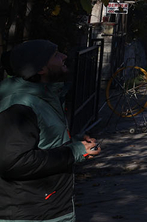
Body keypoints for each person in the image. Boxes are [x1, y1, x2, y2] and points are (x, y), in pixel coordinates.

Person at [0, 40, 101, 222]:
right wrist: (73, 152)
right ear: (40, 69)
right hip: (30, 214)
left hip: (50, 209)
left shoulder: (44, 96)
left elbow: (41, 142)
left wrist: (76, 143)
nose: (64, 56)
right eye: (55, 54)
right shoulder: (20, 105)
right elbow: (13, 161)